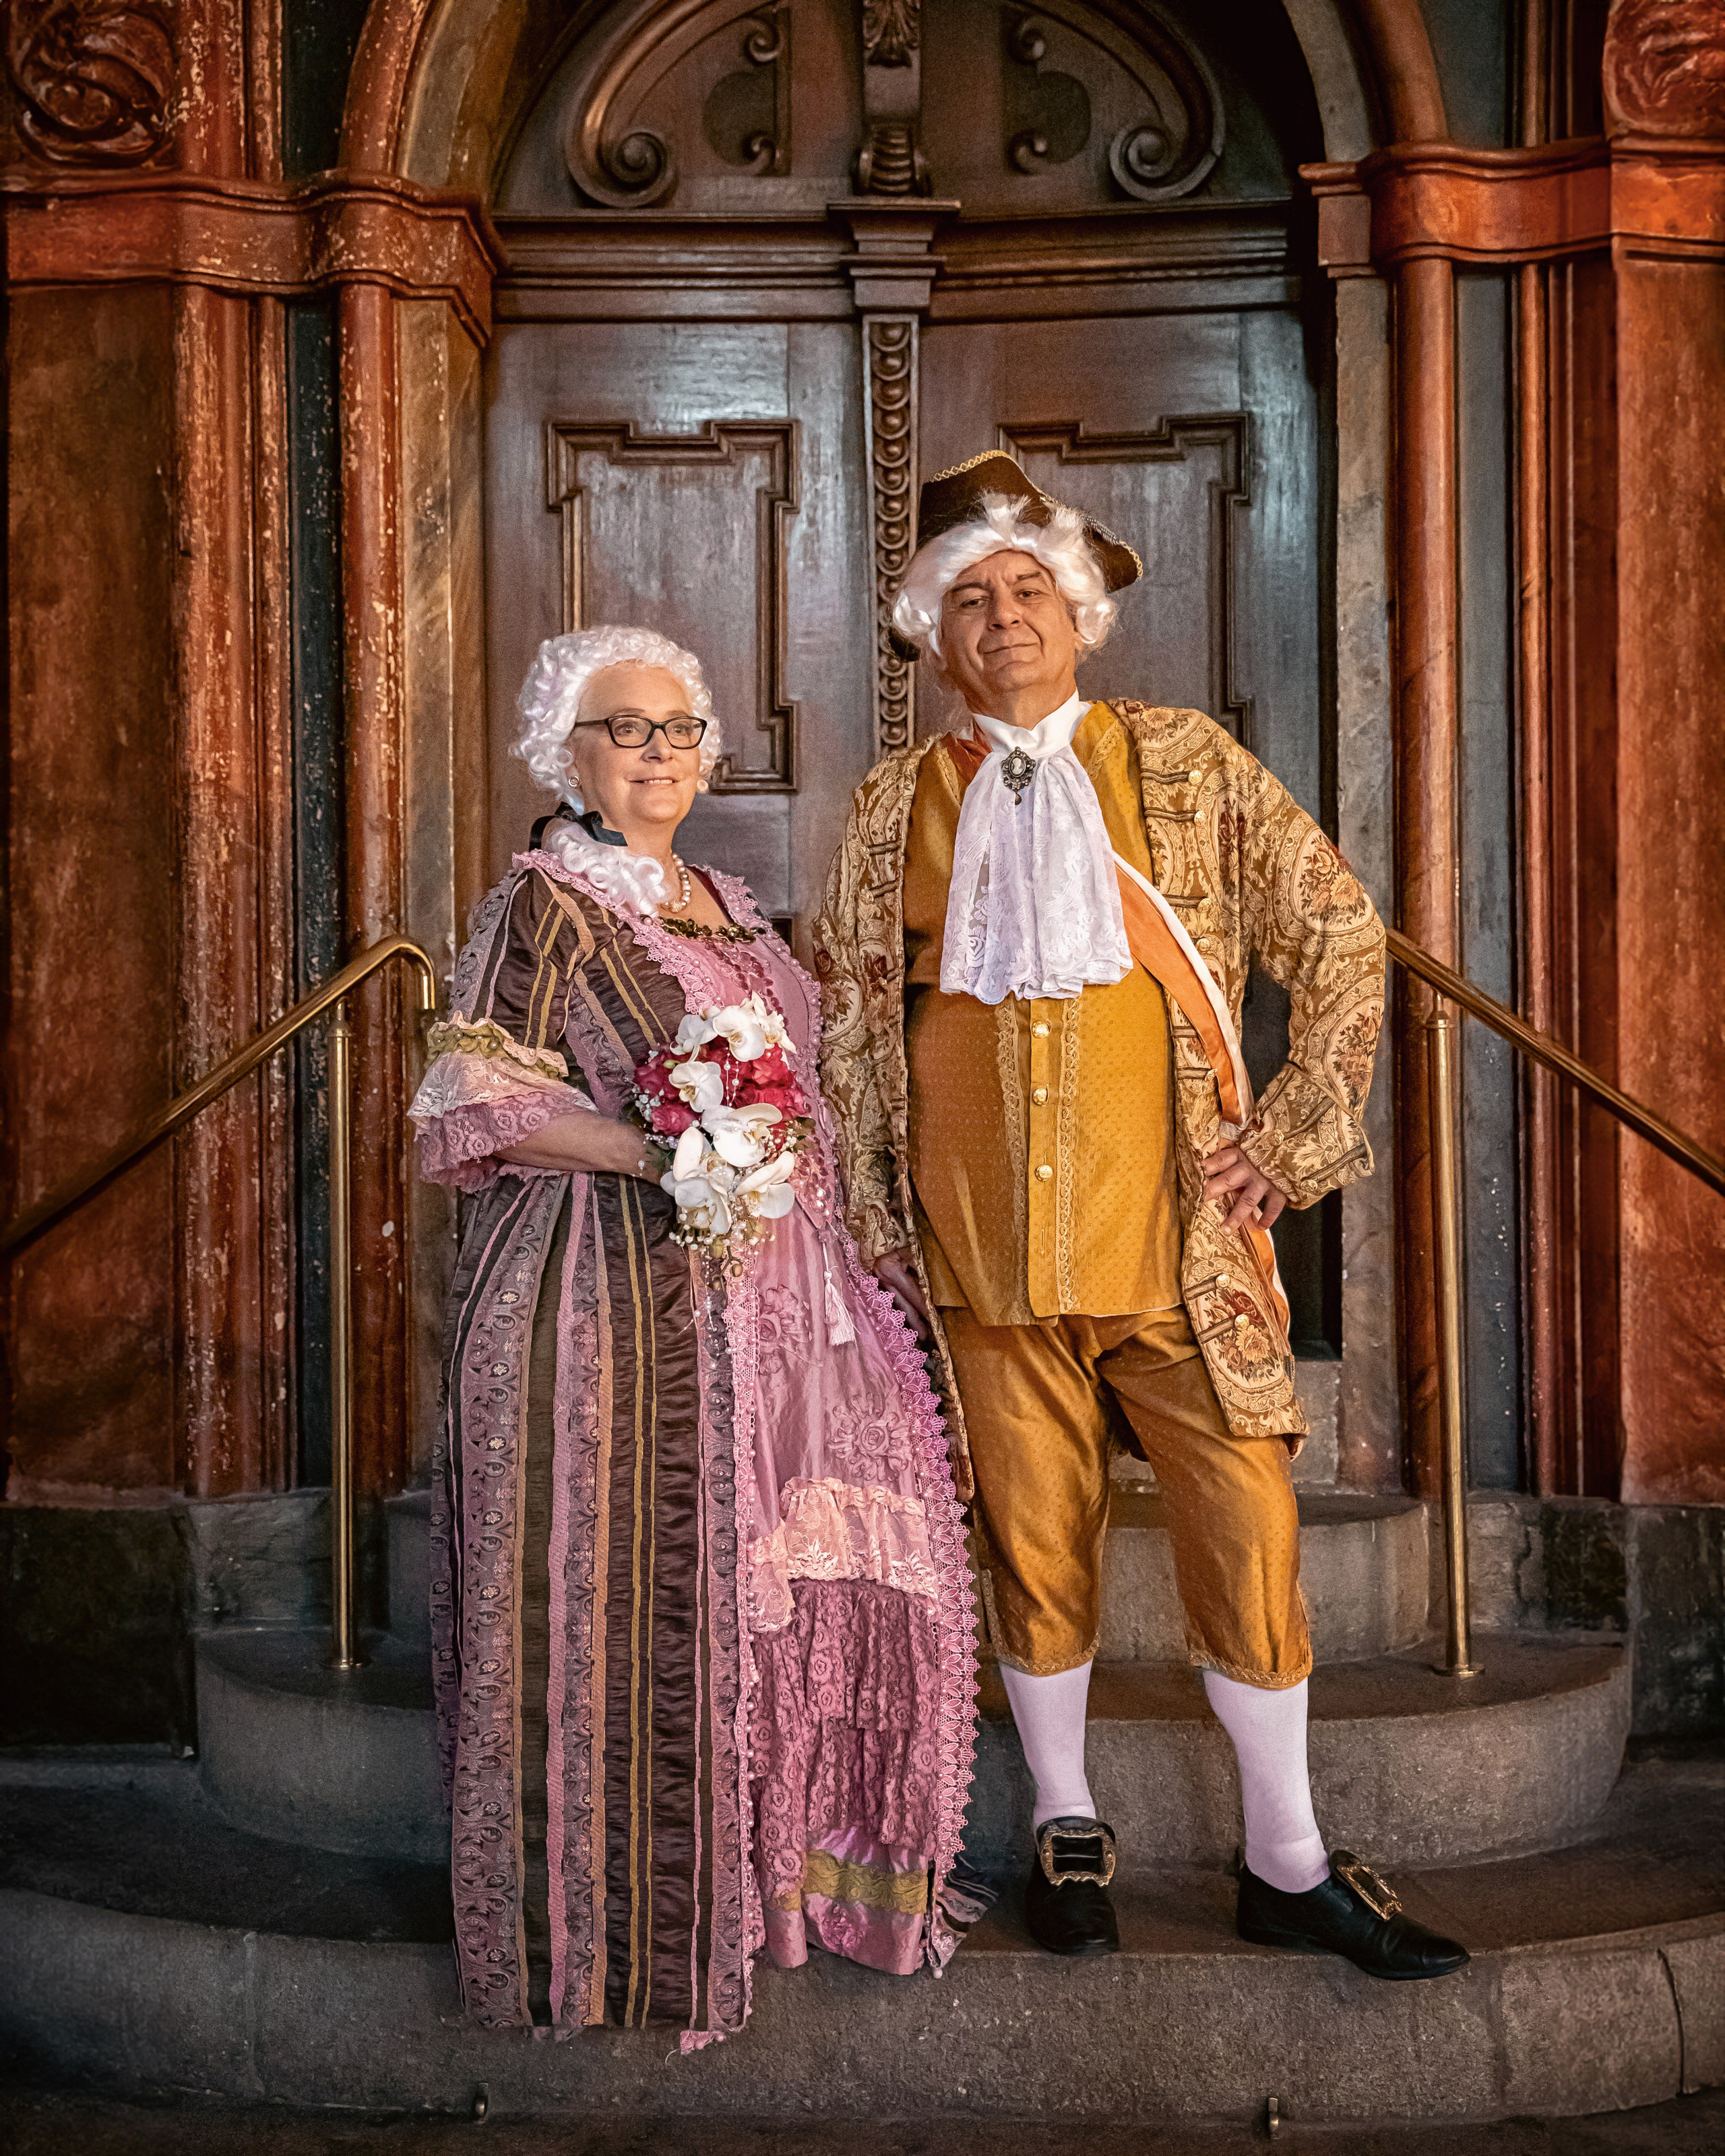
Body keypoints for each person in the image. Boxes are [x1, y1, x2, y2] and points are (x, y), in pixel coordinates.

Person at [813, 455, 1466, 1981]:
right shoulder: (889, 802)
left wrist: (1291, 1136)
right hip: (976, 1252)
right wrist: (868, 1213)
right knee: (1033, 1546)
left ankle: (1286, 1856)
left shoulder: (1179, 760)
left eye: (1025, 590)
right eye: (966, 598)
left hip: (1176, 1244)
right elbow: (849, 1017)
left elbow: (1337, 931)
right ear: (932, 630)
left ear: (1078, 611)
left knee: (1245, 1532)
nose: (999, 618)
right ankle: (1062, 1818)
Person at [410, 625, 980, 2047]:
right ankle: (616, 1946)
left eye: (676, 726)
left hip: (779, 1297)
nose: (656, 751)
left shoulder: (723, 897)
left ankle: (787, 1888)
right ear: (567, 752)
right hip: (606, 1296)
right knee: (632, 1606)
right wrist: (667, 1147)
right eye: (623, 727)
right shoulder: (539, 905)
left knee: (789, 1584)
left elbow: (797, 1096)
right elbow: (472, 1102)